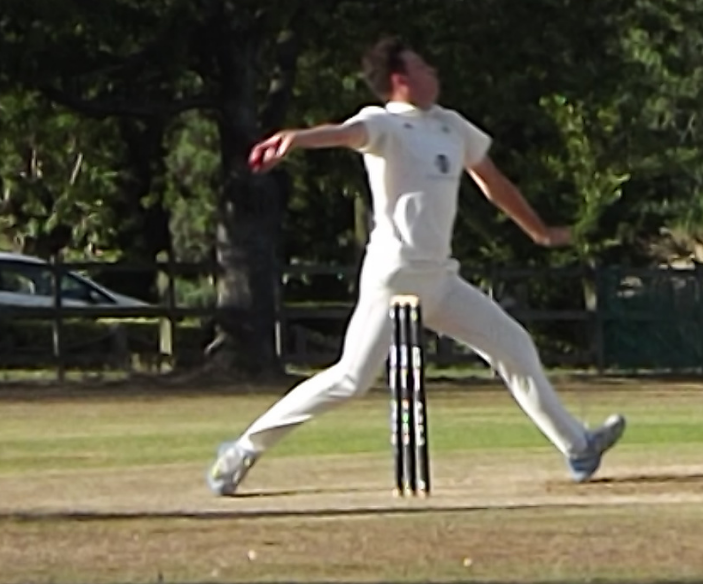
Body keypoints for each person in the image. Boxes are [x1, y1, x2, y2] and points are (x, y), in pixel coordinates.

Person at [206, 36, 625, 495]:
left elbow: (492, 182)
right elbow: (345, 134)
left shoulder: (451, 125)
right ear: (400, 79)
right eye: (422, 67)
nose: (434, 72)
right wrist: (296, 139)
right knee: (350, 379)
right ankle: (243, 450)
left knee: (514, 346)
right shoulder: (383, 123)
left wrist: (539, 231)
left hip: (440, 279)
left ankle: (578, 446)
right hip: (395, 277)